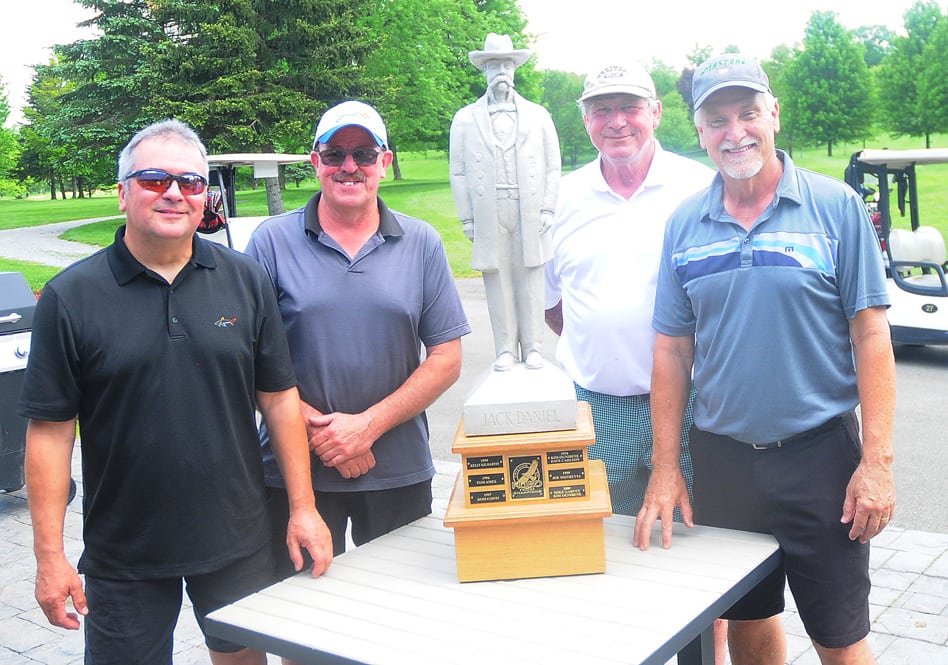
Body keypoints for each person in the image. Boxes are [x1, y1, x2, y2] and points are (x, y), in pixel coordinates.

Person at [18, 119, 333, 665]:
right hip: (124, 550)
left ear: (204, 197)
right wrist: (50, 556)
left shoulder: (245, 280)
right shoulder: (71, 298)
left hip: (235, 538)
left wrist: (303, 508)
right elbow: (49, 432)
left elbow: (279, 398)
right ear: (123, 193)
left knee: (243, 658)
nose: (173, 193)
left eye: (189, 182)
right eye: (153, 179)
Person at [634, 54, 896, 665]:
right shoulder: (684, 225)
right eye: (717, 120)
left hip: (820, 460)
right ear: (699, 132)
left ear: (773, 113)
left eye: (748, 113)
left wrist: (877, 462)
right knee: (749, 624)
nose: (735, 133)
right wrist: (665, 467)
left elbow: (871, 337)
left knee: (840, 638)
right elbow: (672, 349)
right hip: (723, 460)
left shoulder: (835, 208)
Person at [245, 101, 469, 577]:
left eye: (364, 154)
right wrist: (324, 435)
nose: (349, 166)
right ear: (316, 162)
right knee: (298, 607)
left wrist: (367, 426)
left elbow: (446, 357)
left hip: (396, 469)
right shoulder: (271, 242)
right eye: (335, 154)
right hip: (293, 475)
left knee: (394, 606)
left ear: (384, 162)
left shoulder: (422, 242)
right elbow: (247, 359)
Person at [543, 60, 714, 516]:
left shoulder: (700, 189)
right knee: (599, 536)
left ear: (655, 112)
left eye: (629, 107)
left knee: (689, 531)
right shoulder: (557, 198)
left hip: (690, 403)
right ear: (586, 120)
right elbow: (552, 304)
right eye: (601, 110)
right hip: (593, 406)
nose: (616, 121)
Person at [450, 33, 561, 372]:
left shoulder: (538, 115)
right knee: (497, 279)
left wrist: (547, 207)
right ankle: (505, 349)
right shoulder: (465, 119)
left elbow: (552, 165)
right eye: (494, 65)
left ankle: (534, 346)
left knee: (530, 278)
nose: (501, 71)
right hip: (490, 209)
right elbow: (458, 172)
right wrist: (467, 218)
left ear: (514, 69)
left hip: (529, 208)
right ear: (484, 70)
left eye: (507, 65)